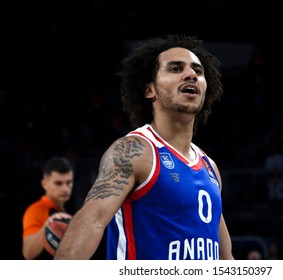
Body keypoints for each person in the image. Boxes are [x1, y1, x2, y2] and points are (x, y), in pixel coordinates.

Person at [54, 34, 234, 260]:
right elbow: (93, 219)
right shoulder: (135, 151)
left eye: (198, 71)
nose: (191, 75)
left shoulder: (210, 167)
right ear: (150, 90)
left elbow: (225, 259)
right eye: (176, 69)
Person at [22, 156, 74, 259]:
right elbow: (27, 253)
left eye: (68, 182)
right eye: (58, 183)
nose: (65, 189)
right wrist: (47, 226)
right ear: (44, 184)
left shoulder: (63, 211)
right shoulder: (36, 210)